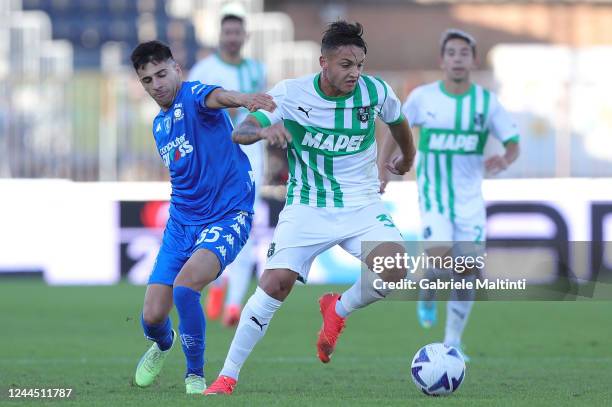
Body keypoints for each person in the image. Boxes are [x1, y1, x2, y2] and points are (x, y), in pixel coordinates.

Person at [203, 20, 416, 395]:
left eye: (360, 64)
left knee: (395, 266)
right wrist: (266, 131)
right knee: (274, 284)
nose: (355, 73)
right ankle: (227, 376)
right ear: (324, 62)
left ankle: (338, 310)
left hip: (361, 204)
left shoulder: (374, 92)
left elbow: (398, 122)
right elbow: (240, 131)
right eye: (346, 65)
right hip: (307, 206)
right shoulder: (290, 94)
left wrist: (407, 156)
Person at [129, 40, 275, 394]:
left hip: (228, 214)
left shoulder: (194, 96)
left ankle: (195, 375)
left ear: (177, 69)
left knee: (185, 288)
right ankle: (164, 344)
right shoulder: (159, 126)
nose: (157, 85)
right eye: (147, 80)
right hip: (182, 223)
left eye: (162, 74)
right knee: (151, 318)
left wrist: (244, 99)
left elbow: (218, 97)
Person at [382, 29, 520, 361]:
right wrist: (385, 168)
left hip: (470, 200)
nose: (457, 58)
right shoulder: (423, 98)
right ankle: (427, 292)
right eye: (451, 53)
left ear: (473, 60)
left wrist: (504, 158)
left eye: (464, 53)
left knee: (467, 268)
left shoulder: (486, 103)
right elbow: (396, 127)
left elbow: (513, 143)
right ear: (442, 60)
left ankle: (453, 341)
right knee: (442, 261)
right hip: (434, 196)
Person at [188, 4, 267, 327]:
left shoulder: (256, 70)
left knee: (245, 227)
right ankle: (218, 283)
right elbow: (189, 111)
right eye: (227, 31)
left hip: (251, 158)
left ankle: (234, 305)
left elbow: (263, 111)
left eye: (238, 31)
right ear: (220, 35)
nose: (232, 37)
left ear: (245, 35)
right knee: (212, 225)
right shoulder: (203, 70)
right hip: (214, 160)